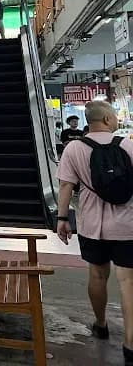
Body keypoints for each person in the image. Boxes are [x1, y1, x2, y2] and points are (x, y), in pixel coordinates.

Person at [56, 101, 133, 366]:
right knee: (128, 282)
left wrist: (62, 218)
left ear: (88, 121)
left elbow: (66, 186)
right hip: (127, 224)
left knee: (97, 275)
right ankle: (130, 343)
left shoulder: (74, 148)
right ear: (109, 119)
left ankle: (100, 323)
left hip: (92, 225)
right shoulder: (128, 145)